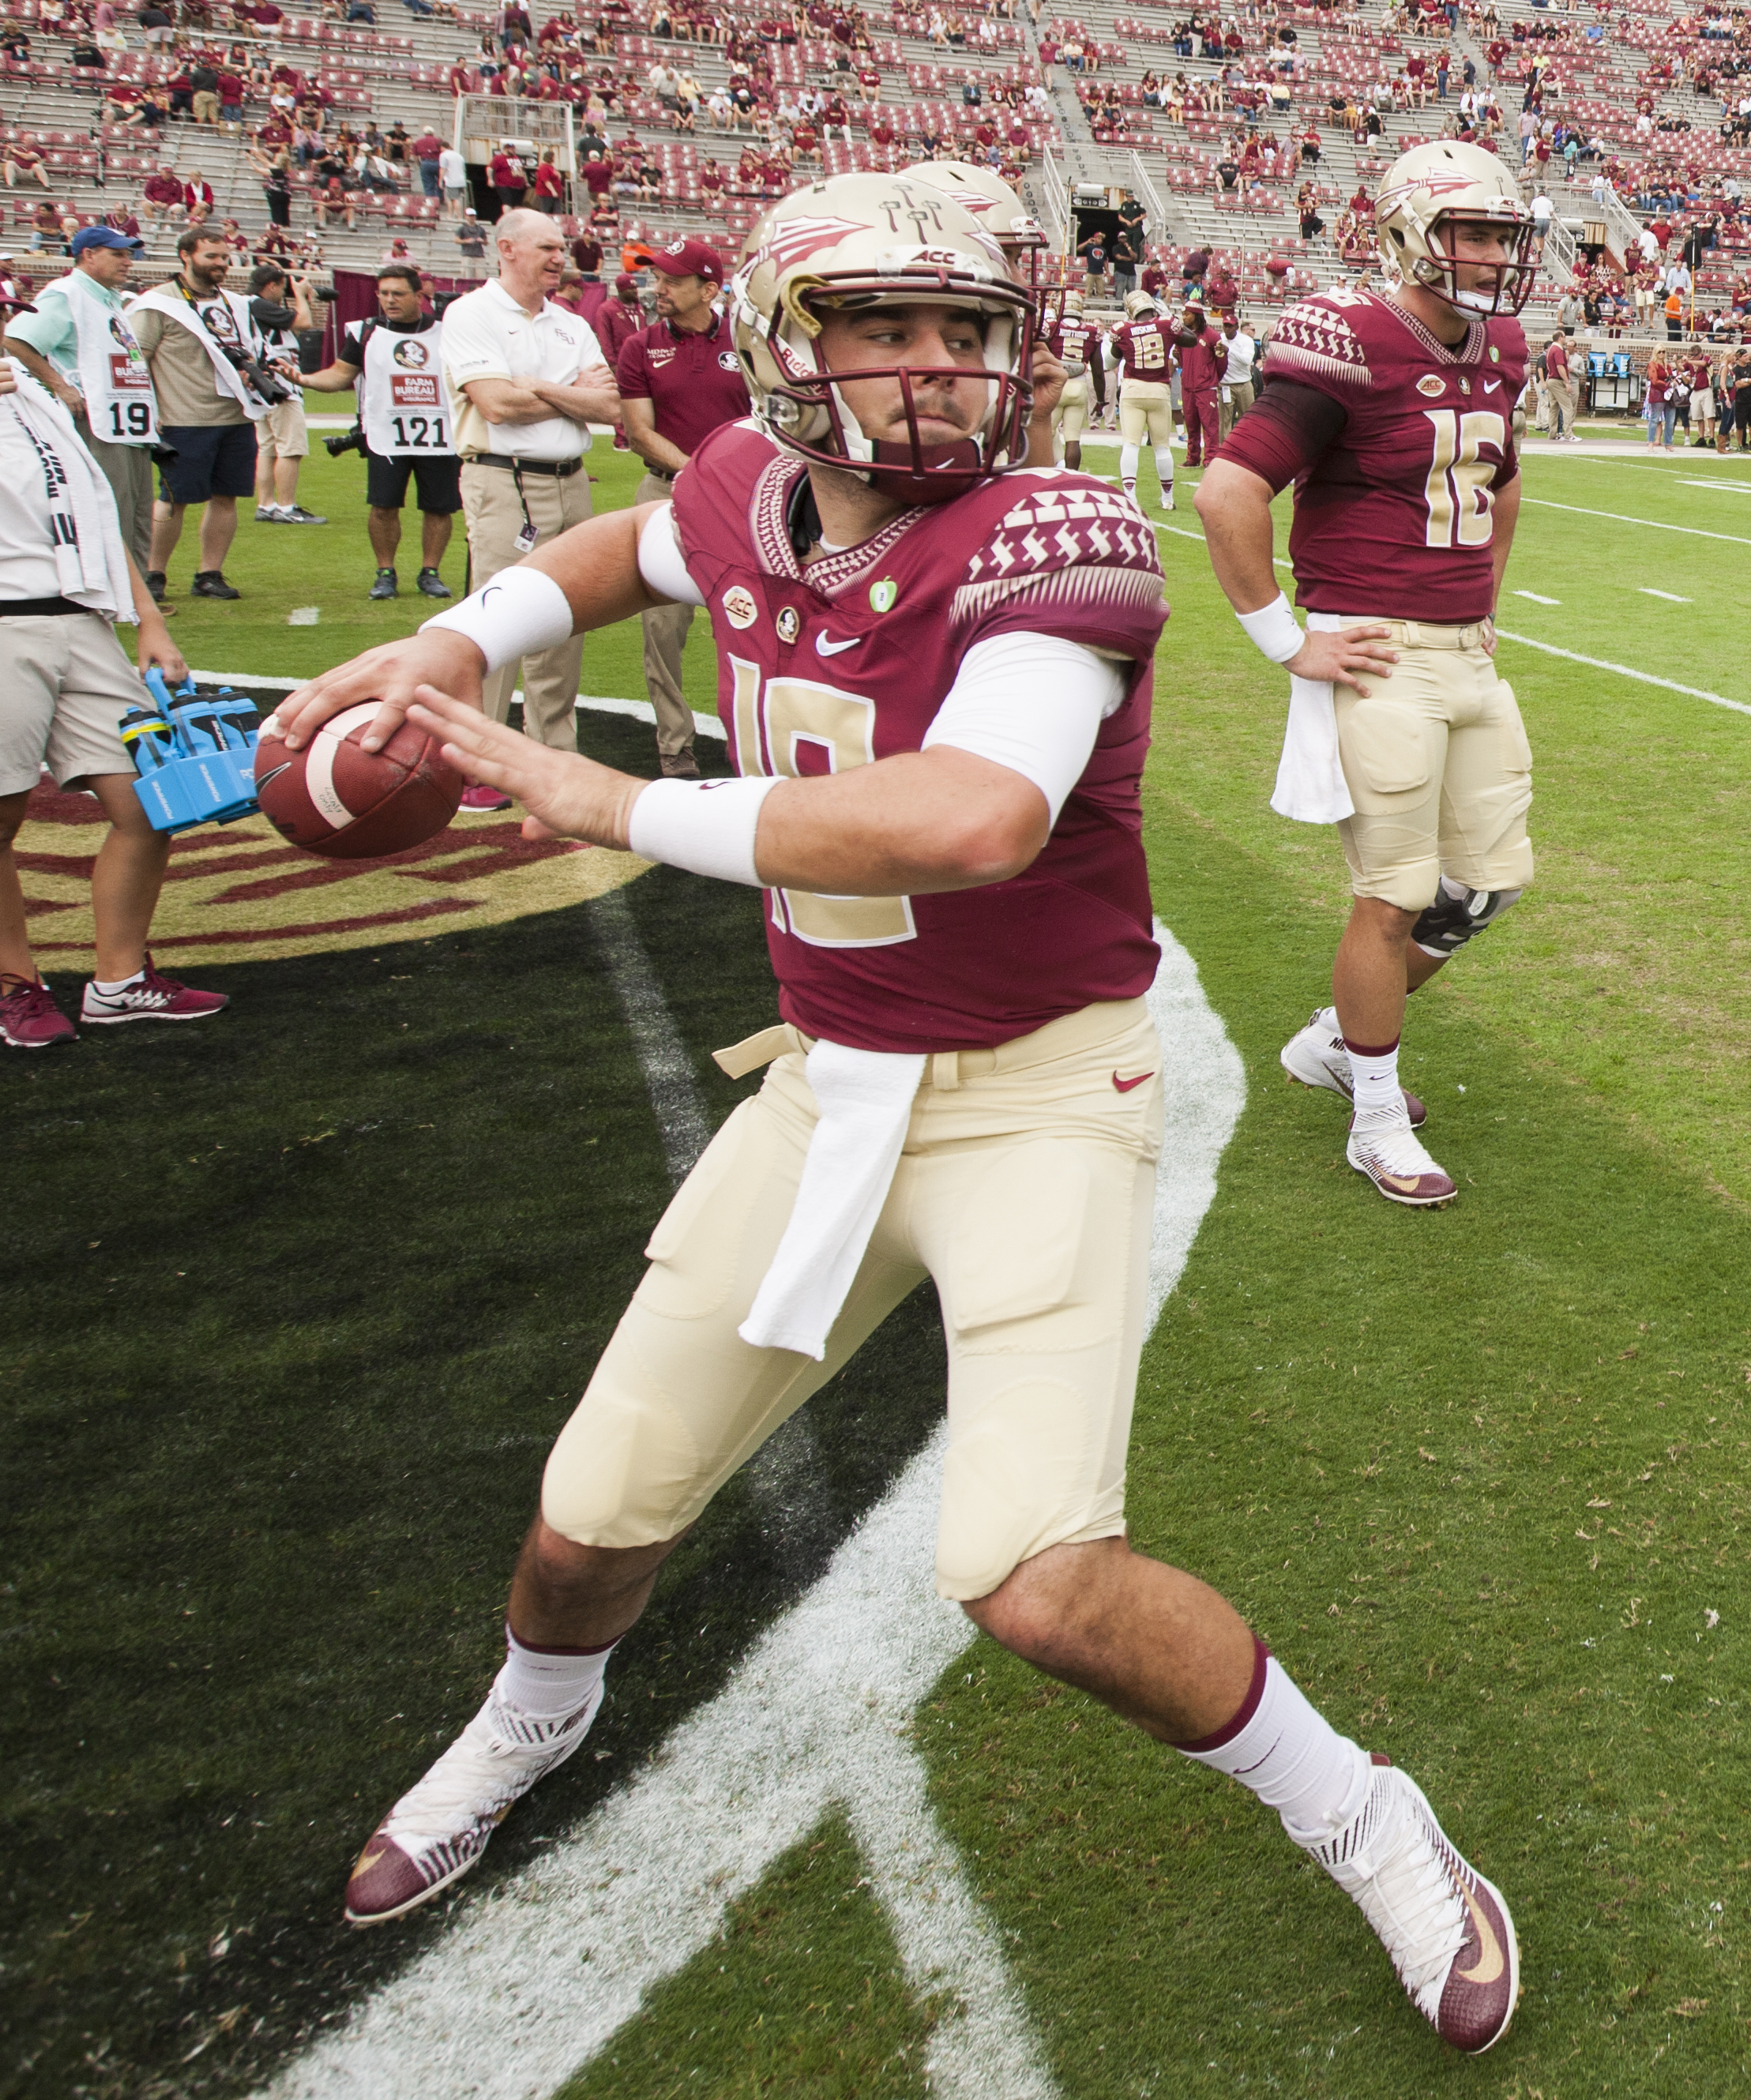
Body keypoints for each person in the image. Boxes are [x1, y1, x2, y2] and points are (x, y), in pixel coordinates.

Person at [258, 171, 1520, 2057]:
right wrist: (465, 633)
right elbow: (643, 541)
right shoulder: (750, 484)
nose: (935, 369)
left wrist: (600, 798)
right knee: (590, 1513)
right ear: (788, 341)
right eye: (885, 325)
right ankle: (532, 1719)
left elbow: (970, 816)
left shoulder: (1056, 532)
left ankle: (1368, 1810)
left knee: (1037, 1578)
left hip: (1037, 1097)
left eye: (965, 329)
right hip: (832, 1081)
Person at [1197, 137, 1539, 1212]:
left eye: (1500, 234)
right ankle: (1375, 1118)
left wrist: (1484, 600)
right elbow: (1227, 492)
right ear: (1408, 232)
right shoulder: (1347, 338)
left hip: (1463, 648)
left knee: (1484, 884)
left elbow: (1505, 479)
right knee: (1389, 894)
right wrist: (1287, 639)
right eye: (1471, 232)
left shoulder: (1504, 344)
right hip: (1377, 648)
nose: (1490, 254)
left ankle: (1335, 1043)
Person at [0, 349, 221, 1045]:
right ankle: (14, 984)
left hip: (80, 617)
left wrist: (148, 618)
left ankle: (119, 983)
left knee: (149, 803)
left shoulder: (28, 385)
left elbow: (90, 512)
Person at [440, 208, 618, 809]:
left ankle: (552, 755)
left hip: (571, 479)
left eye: (561, 246)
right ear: (507, 249)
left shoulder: (571, 324)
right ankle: (480, 761)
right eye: (545, 246)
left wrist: (535, 388)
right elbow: (496, 405)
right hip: (503, 481)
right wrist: (566, 394)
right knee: (496, 621)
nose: (558, 256)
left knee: (565, 619)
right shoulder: (470, 314)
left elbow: (608, 406)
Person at [614, 238, 744, 780]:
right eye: (655, 278)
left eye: (670, 279)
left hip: (742, 498)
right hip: (666, 494)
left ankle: (750, 741)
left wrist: (726, 478)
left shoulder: (748, 340)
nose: (657, 288)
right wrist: (698, 475)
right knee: (662, 630)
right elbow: (640, 432)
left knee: (744, 623)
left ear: (709, 289)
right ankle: (675, 748)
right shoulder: (639, 347)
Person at [295, 261, 460, 602]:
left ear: (419, 295)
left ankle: (431, 572)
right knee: (383, 507)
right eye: (383, 293)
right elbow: (340, 375)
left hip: (440, 436)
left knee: (439, 508)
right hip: (385, 436)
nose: (389, 300)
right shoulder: (365, 332)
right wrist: (302, 379)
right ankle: (385, 572)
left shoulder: (447, 331)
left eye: (398, 293)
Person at [127, 223, 272, 603]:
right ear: (185, 256)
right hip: (184, 418)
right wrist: (148, 409)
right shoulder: (158, 302)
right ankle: (153, 574)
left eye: (225, 257)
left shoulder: (234, 304)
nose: (221, 264)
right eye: (211, 256)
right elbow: (134, 360)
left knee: (226, 497)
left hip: (236, 416)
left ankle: (210, 574)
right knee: (174, 499)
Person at [5, 226, 160, 577]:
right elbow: (17, 340)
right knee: (114, 509)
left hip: (128, 423)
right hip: (96, 421)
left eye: (129, 255)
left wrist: (150, 409)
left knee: (138, 512)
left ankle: (138, 594)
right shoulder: (67, 293)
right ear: (88, 254)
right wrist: (60, 385)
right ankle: (113, 590)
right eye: (117, 254)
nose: (128, 262)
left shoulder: (109, 298)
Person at [246, 261, 324, 525]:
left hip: (263, 385)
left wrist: (302, 298)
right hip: (279, 384)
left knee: (267, 448)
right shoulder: (259, 304)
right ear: (271, 285)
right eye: (282, 287)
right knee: (290, 448)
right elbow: (304, 322)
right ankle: (286, 508)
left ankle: (267, 505)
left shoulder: (249, 306)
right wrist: (301, 296)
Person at [1109, 288, 1176, 511]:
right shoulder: (1166, 324)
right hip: (1159, 390)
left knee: (1131, 443)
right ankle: (1167, 497)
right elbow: (1189, 340)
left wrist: (1115, 343)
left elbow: (1111, 360)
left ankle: (1130, 495)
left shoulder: (1123, 329)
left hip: (1133, 390)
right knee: (1162, 447)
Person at [1173, 304, 1223, 468]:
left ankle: (1210, 458)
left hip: (1205, 388)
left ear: (1196, 315)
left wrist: (1212, 380)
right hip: (1188, 387)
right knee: (1191, 425)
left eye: (1187, 314)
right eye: (1183, 314)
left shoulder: (1212, 335)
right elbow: (1181, 360)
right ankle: (1193, 458)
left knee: (1210, 426)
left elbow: (1222, 362)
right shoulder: (1182, 336)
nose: (1184, 317)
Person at [1217, 312, 1257, 443]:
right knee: (1225, 420)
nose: (1227, 329)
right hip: (1225, 385)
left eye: (1230, 326)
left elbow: (1246, 360)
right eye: (1225, 326)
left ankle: (1249, 445)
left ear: (1236, 327)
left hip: (1243, 384)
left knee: (1248, 418)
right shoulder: (1219, 339)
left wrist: (1229, 350)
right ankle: (1224, 449)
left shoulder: (1246, 340)